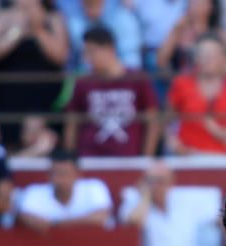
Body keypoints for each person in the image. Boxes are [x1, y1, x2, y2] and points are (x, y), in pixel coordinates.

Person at [0, 0, 69, 147]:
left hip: (44, 100)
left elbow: (60, 56)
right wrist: (17, 31)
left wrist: (38, 29)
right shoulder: (3, 16)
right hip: (8, 98)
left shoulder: (53, 18)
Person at [64, 25, 160, 156]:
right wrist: (70, 159)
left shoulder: (138, 79)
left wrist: (146, 159)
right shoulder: (83, 83)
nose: (87, 59)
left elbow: (152, 121)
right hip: (89, 159)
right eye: (85, 53)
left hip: (127, 159)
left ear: (110, 48)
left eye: (92, 51)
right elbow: (72, 123)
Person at [119, 161, 221, 246]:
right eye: (150, 181)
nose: (155, 186)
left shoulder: (185, 201)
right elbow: (134, 224)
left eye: (160, 181)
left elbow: (219, 218)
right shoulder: (135, 202)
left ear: (170, 182)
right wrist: (145, 197)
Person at [166, 33, 226, 155]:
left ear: (223, 58)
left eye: (213, 54)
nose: (207, 58)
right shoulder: (181, 83)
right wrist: (175, 144)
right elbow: (166, 122)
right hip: (189, 159)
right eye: (203, 54)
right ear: (195, 58)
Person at [16, 149, 112, 232]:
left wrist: (56, 224)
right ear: (48, 175)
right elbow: (25, 218)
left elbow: (102, 217)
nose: (61, 179)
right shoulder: (34, 192)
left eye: (66, 173)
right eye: (56, 174)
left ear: (78, 174)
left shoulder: (94, 187)